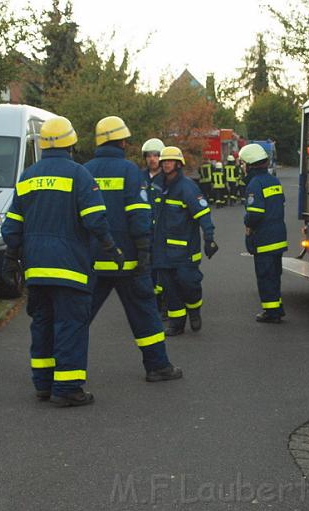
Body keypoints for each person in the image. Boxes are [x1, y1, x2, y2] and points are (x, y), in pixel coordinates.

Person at [0, 116, 123, 407]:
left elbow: (12, 223)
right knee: (70, 325)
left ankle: (43, 384)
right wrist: (112, 248)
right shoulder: (79, 175)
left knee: (42, 324)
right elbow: (95, 219)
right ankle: (67, 387)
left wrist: (10, 256)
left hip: (36, 270)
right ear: (71, 143)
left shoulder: (28, 177)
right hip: (70, 268)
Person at [84, 117, 182, 382]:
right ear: (122, 141)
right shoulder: (129, 172)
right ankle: (158, 366)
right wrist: (144, 251)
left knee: (78, 316)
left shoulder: (84, 170)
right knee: (145, 314)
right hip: (129, 262)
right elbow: (139, 215)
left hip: (93, 261)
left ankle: (62, 368)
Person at [152, 146, 217, 336]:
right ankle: (176, 324)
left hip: (184, 250)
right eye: (164, 161)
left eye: (170, 161)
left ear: (179, 164)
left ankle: (194, 310)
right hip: (162, 250)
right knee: (169, 289)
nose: (166, 164)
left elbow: (203, 213)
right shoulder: (156, 185)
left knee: (189, 283)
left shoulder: (187, 187)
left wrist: (209, 238)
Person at [241, 143, 288, 324]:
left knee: (265, 276)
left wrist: (247, 224)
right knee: (274, 275)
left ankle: (271, 312)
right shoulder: (274, 181)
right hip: (278, 236)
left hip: (264, 238)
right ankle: (277, 307)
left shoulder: (254, 184)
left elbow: (255, 214)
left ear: (250, 164)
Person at [140, 137, 167, 318]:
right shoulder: (139, 177)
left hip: (162, 232)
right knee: (146, 270)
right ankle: (151, 305)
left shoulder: (166, 179)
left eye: (156, 155)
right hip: (144, 231)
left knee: (162, 270)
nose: (152, 159)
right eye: (149, 155)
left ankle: (164, 304)